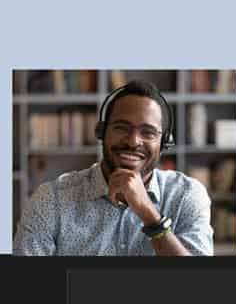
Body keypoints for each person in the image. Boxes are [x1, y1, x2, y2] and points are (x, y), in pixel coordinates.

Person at [14, 79, 213, 255]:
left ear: (164, 143)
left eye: (148, 132)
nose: (133, 141)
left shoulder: (187, 195)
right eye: (121, 128)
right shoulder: (51, 199)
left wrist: (149, 215)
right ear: (101, 133)